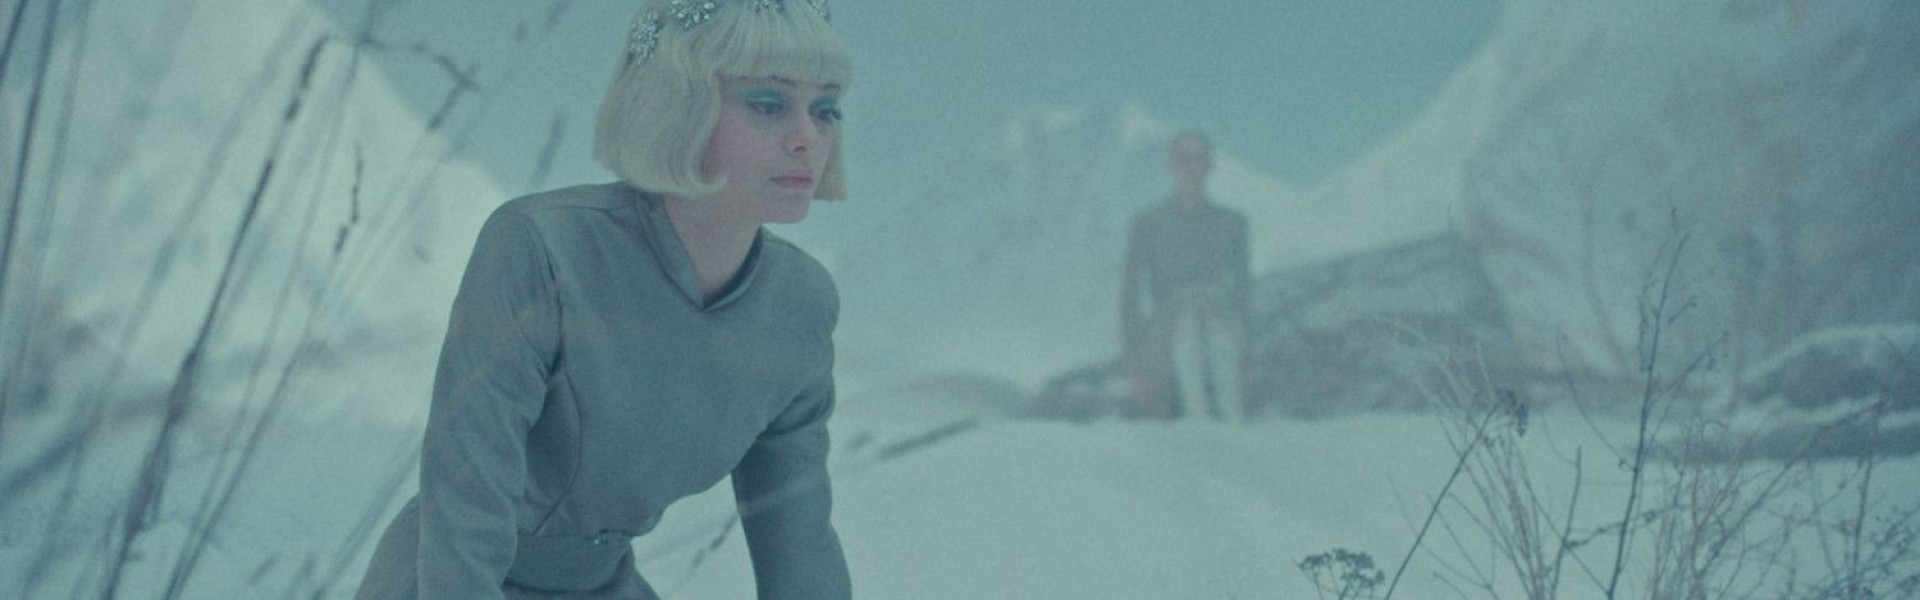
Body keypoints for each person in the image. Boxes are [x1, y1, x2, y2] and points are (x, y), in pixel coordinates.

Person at [355, 1, 852, 598]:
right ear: (680, 103)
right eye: (768, 104)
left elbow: (797, 542)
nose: (807, 139)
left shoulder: (801, 306)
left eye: (825, 110)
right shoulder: (540, 247)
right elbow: (465, 508)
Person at [1119, 131, 1251, 422]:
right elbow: (1130, 293)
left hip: (1219, 321)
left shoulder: (1231, 223)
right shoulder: (1147, 224)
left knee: (1214, 327)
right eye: (1183, 159)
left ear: (1209, 165)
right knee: (1189, 322)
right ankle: (1201, 420)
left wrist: (1246, 358)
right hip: (1168, 327)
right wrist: (1134, 362)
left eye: (1198, 159)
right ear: (1171, 165)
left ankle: (1228, 421)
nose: (1191, 168)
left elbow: (1243, 291)